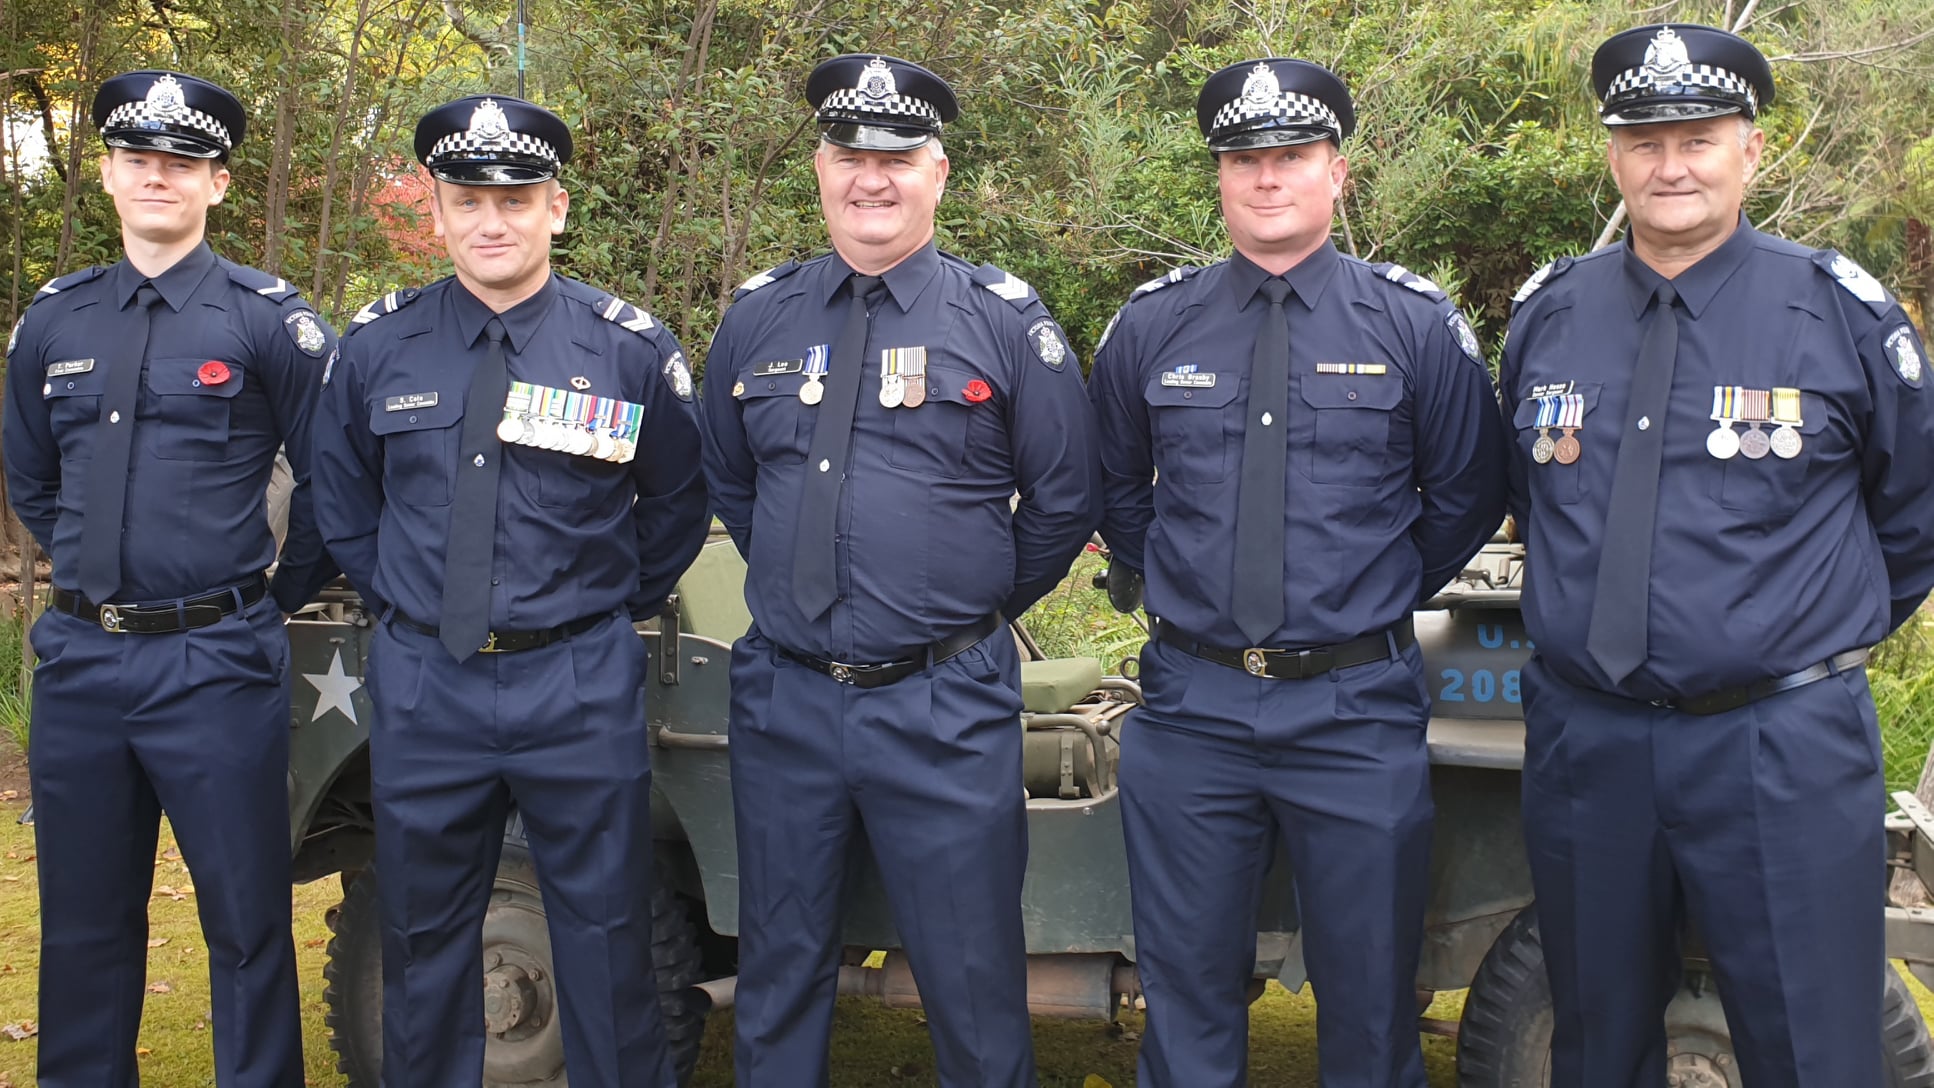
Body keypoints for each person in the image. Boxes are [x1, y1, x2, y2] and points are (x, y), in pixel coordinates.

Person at [1499, 23, 1934, 1086]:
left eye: (1696, 138)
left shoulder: (1837, 312)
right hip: (1589, 743)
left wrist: (1791, 640)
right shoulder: (1549, 315)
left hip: (1778, 745)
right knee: (1592, 1042)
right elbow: (1530, 502)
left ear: (1750, 148)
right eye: (1643, 141)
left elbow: (1913, 513)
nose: (1671, 166)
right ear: (1613, 156)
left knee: (1813, 1048)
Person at [1088, 57, 1506, 1088]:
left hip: (1354, 712)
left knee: (1370, 1010)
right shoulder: (1153, 324)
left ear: (1336, 172)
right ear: (1220, 177)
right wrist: (1182, 590)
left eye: (1291, 156)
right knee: (1186, 1002)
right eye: (1244, 160)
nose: (1267, 177)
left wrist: (1366, 594)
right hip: (1192, 710)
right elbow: (1114, 489)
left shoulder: (1413, 324)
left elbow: (1464, 493)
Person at [697, 53, 1100, 1088]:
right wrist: (805, 584)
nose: (870, 178)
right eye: (848, 155)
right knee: (779, 974)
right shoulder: (758, 316)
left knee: (971, 983)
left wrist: (963, 606)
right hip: (785, 699)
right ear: (820, 168)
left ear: (938, 173)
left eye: (897, 158)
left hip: (943, 703)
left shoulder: (1002, 320)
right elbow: (730, 478)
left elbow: (1065, 498)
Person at [310, 94, 708, 1085]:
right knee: (422, 942)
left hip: (575, 682)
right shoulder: (378, 346)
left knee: (608, 940)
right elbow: (343, 504)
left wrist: (595, 605)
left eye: (516, 198)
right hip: (427, 681)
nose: (492, 220)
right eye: (469, 199)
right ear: (438, 211)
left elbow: (675, 503)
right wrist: (414, 606)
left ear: (555, 208)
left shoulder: (625, 348)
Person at [2, 69, 337, 1086]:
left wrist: (265, 601)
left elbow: (332, 484)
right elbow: (32, 477)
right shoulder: (54, 320)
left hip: (215, 661)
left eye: (181, 163)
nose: (158, 177)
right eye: (138, 159)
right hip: (80, 663)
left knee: (246, 922)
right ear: (107, 173)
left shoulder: (269, 320)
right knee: (82, 926)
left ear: (217, 184)